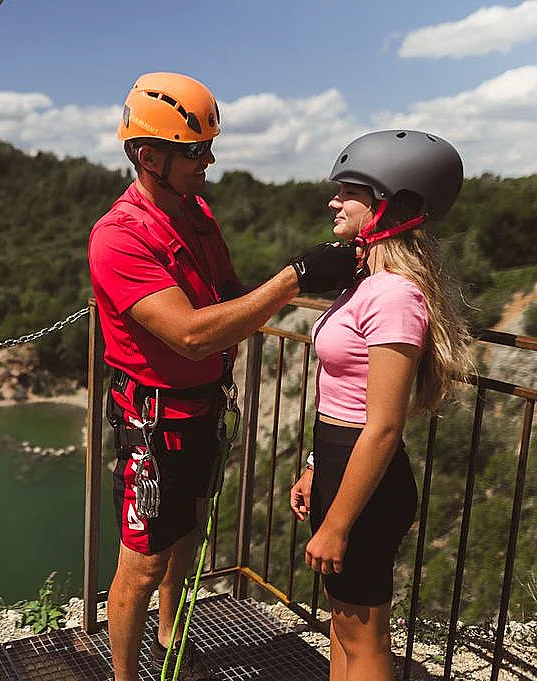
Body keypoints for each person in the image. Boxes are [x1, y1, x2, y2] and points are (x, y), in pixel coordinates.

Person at [88, 72, 359, 681]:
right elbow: (190, 332)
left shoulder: (196, 212)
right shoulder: (119, 238)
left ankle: (167, 635)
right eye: (193, 152)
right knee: (143, 562)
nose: (207, 160)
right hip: (151, 420)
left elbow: (227, 297)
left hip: (200, 406)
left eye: (208, 147)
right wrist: (293, 278)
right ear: (147, 155)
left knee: (184, 532)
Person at [289, 130, 473, 681]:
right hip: (341, 467)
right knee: (343, 626)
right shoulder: (364, 282)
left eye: (348, 191)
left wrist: (338, 524)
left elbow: (385, 427)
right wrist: (316, 468)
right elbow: (343, 395)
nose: (333, 200)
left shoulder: (395, 296)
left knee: (365, 639)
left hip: (365, 485)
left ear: (387, 204)